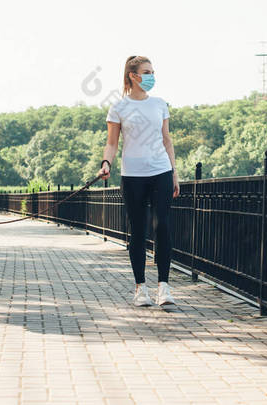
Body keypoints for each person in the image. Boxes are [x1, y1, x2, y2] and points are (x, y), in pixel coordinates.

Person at [98, 55, 180, 307]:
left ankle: (163, 288)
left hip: (161, 172)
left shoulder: (159, 104)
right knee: (137, 232)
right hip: (133, 175)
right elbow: (112, 143)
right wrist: (106, 164)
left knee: (162, 226)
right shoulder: (119, 108)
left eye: (152, 71)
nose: (151, 76)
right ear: (133, 75)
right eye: (146, 71)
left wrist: (174, 172)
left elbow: (167, 139)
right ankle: (140, 288)